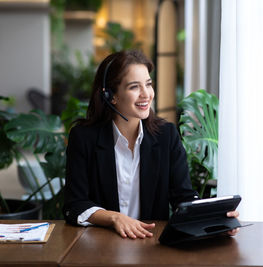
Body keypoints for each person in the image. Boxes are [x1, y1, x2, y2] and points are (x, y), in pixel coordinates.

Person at [63, 50, 239, 239]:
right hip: (102, 243)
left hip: (150, 244)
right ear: (111, 96)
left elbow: (184, 197)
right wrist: (114, 218)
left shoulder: (167, 136)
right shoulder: (84, 138)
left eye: (148, 84)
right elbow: (75, 204)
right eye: (134, 87)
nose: (146, 94)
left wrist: (215, 219)